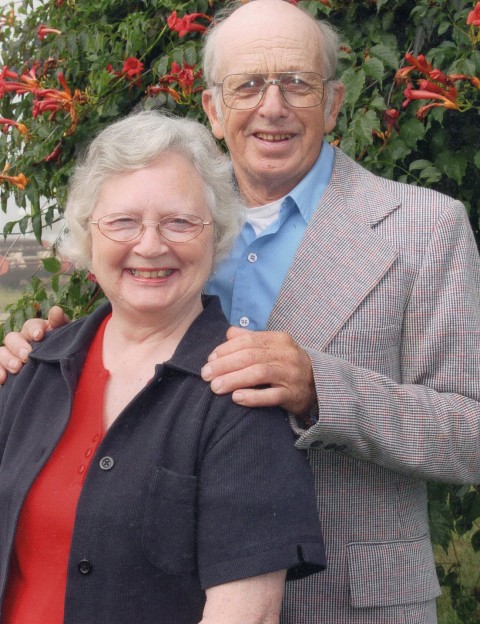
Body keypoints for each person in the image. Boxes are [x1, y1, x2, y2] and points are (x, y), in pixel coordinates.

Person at [2, 0, 480, 622]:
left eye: (297, 83)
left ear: (334, 103)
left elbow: (472, 432)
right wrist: (47, 353)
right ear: (212, 108)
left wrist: (322, 391)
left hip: (350, 604)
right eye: (247, 85)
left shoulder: (425, 228)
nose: (271, 107)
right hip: (176, 597)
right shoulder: (179, 221)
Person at [0, 110, 327, 624]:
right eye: (122, 221)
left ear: (216, 236)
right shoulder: (32, 367)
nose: (150, 245)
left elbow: (247, 615)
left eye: (180, 222)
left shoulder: (241, 393)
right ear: (88, 234)